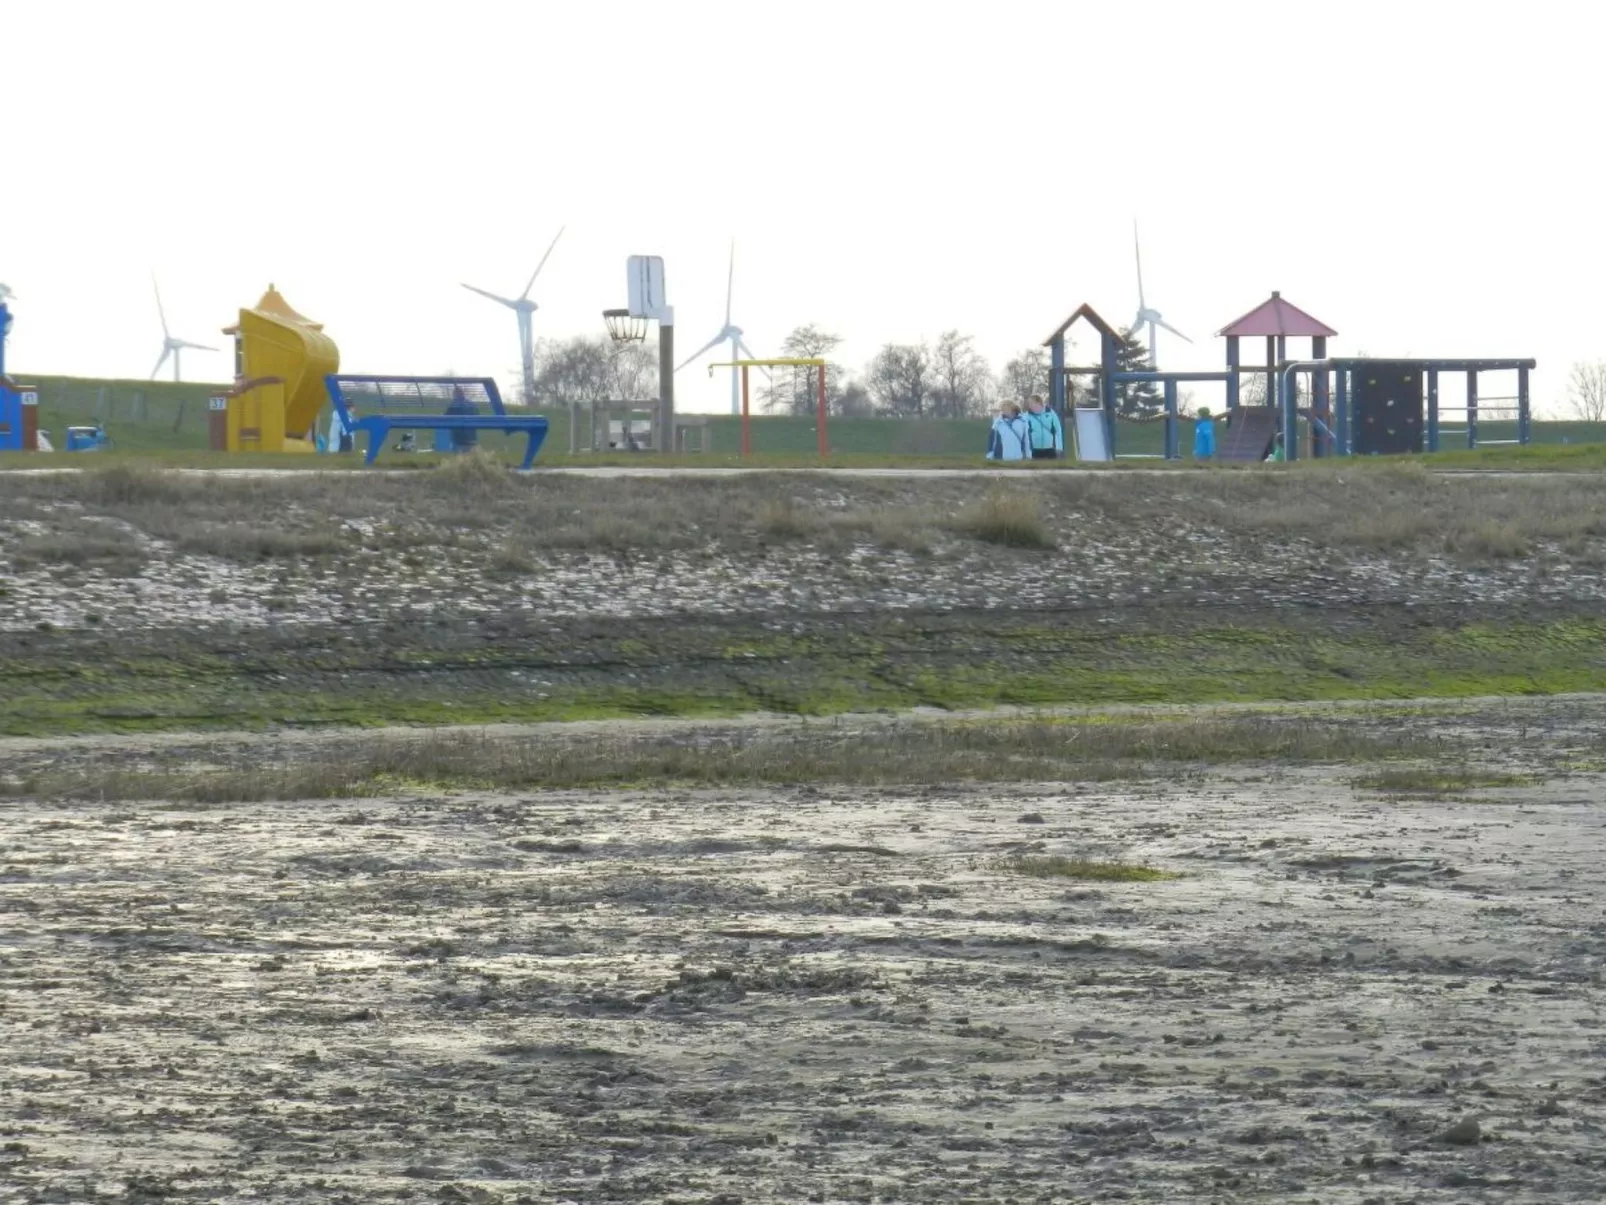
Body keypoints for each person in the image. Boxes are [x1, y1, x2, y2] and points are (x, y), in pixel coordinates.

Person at [1023, 395, 1064, 460]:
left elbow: (1058, 430)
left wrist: (1059, 447)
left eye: (1032, 404)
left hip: (1049, 448)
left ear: (1039, 403)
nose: (1031, 406)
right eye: (1030, 404)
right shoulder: (1026, 416)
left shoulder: (1050, 413)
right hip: (1034, 449)